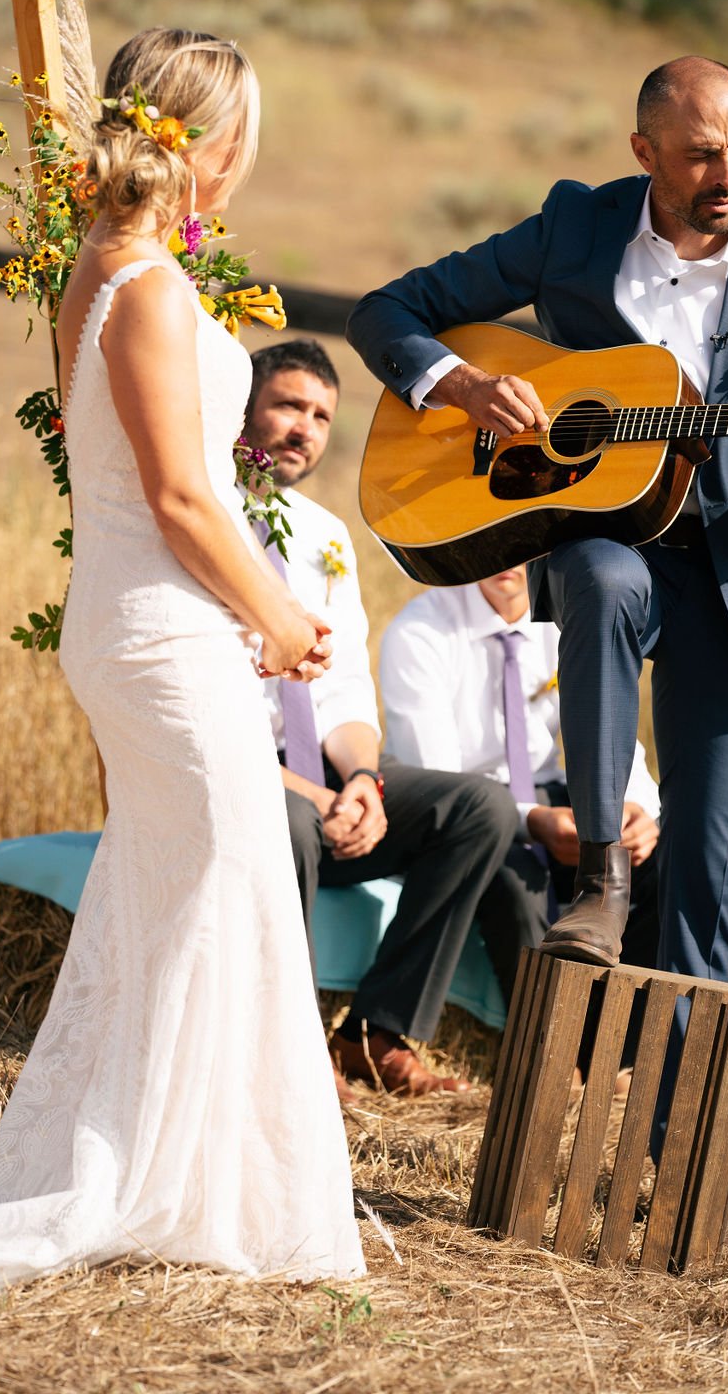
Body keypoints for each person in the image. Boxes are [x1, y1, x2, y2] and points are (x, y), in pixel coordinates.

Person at [0, 24, 364, 1308]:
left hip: (139, 622)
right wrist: (278, 617)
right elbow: (176, 494)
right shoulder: (153, 288)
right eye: (246, 137)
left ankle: (174, 1167)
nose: (248, 161)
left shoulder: (101, 267)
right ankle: (167, 1181)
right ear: (209, 141)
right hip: (163, 631)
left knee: (177, 894)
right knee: (225, 878)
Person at [347, 56, 728, 1052]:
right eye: (701, 154)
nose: (726, 176)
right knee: (600, 573)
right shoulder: (575, 227)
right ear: (643, 152)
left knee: (709, 873)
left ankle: (672, 1120)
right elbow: (387, 311)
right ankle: (600, 877)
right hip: (610, 545)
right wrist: (462, 386)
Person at [242, 338, 519, 1100]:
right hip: (244, 777)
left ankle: (376, 1033)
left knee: (481, 808)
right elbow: (210, 708)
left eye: (320, 416)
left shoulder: (327, 534)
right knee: (290, 822)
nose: (304, 428)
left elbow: (344, 689)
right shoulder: (211, 522)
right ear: (244, 408)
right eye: (288, 406)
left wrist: (362, 779)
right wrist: (315, 796)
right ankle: (290, 1048)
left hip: (325, 775)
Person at [379, 566, 662, 1001]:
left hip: (548, 791)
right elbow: (445, 786)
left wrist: (639, 808)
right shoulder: (420, 630)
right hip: (471, 817)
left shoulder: (568, 621)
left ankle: (617, 1024)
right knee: (518, 884)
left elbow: (612, 726)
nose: (505, 560)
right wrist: (532, 822)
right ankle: (543, 1029)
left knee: (666, 867)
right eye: (491, 541)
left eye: (521, 544)